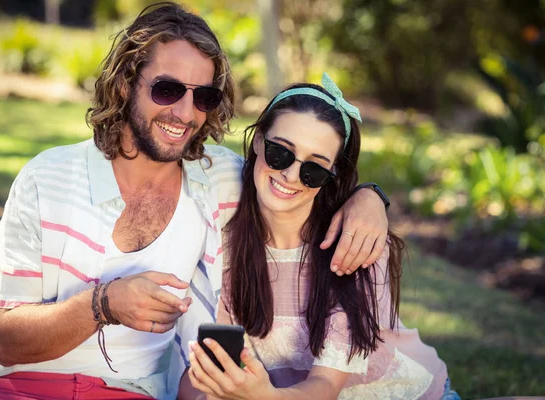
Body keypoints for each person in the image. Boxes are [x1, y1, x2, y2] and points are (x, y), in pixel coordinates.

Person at [0, 3, 390, 400]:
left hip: (128, 391)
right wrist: (104, 304)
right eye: (167, 89)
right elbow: (6, 342)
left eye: (205, 96)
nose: (184, 112)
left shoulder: (219, 179)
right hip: (14, 386)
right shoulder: (46, 179)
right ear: (123, 85)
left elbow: (297, 174)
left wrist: (369, 199)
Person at [183, 74, 461, 400]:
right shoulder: (227, 243)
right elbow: (202, 377)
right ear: (259, 141)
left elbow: (325, 388)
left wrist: (262, 397)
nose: (290, 175)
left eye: (313, 169)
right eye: (280, 153)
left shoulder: (355, 245)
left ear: (331, 176)